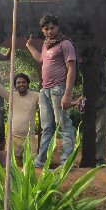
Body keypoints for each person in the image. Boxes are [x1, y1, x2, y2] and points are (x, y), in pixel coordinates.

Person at [25, 15, 77, 168]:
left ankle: (67, 162)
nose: (49, 31)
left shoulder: (65, 44)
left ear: (57, 27)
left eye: (52, 28)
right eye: (46, 29)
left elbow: (71, 69)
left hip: (59, 89)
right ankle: (41, 161)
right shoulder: (47, 45)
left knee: (64, 126)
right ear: (42, 30)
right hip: (45, 90)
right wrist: (29, 46)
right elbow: (41, 59)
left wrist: (68, 94)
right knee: (47, 127)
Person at [0, 54, 39, 166]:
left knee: (29, 168)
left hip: (29, 139)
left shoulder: (36, 96)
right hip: (13, 139)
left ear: (28, 84)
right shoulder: (11, 96)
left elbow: (51, 101)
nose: (21, 84)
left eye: (24, 82)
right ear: (15, 86)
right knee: (11, 168)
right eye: (18, 83)